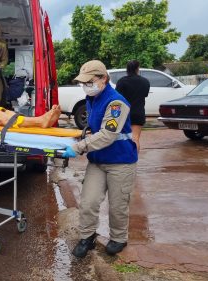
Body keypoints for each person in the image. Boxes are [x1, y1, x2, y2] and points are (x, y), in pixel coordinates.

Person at [66, 60, 138, 258]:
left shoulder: (116, 103)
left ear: (103, 79)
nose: (86, 86)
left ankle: (118, 238)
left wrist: (79, 147)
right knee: (88, 202)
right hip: (98, 161)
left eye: (90, 81)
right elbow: (93, 128)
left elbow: (107, 134)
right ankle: (87, 237)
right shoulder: (92, 98)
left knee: (118, 205)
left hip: (121, 161)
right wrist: (79, 136)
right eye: (83, 82)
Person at [115, 60, 150, 152]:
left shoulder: (121, 81)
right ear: (137, 68)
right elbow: (145, 94)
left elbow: (117, 98)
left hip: (124, 114)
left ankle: (123, 161)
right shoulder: (145, 81)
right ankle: (133, 162)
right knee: (135, 139)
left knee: (122, 140)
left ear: (127, 69)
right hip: (138, 113)